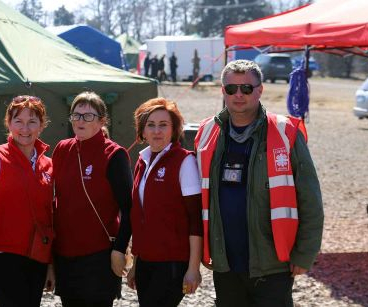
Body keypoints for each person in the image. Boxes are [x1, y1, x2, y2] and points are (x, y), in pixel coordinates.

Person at [194, 60, 323, 307]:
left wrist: (304, 253)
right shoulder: (206, 132)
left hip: (273, 264)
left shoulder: (286, 131)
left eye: (247, 88)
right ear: (223, 91)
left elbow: (310, 198)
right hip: (226, 262)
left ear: (260, 90)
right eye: (232, 89)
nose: (239, 95)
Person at [52, 91, 133, 306]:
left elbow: (129, 208)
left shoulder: (114, 154)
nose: (80, 120)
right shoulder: (62, 149)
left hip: (99, 256)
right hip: (65, 254)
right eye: (76, 115)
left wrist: (120, 249)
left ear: (102, 121)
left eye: (88, 116)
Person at [0, 95, 54, 306]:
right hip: (0, 253)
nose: (25, 128)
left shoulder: (49, 165)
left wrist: (51, 264)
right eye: (18, 121)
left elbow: (51, 215)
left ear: (42, 125)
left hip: (37, 254)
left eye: (32, 122)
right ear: (8, 123)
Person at [126, 98, 202, 306]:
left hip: (172, 263)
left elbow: (196, 220)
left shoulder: (184, 161)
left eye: (163, 125)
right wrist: (135, 264)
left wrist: (193, 268)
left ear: (174, 129)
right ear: (142, 130)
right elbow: (141, 217)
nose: (156, 131)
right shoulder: (142, 161)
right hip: (145, 262)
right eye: (150, 125)